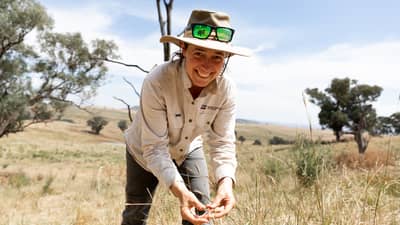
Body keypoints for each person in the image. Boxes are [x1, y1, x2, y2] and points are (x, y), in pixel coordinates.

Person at [122, 9, 250, 225]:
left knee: (202, 212)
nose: (207, 67)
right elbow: (154, 148)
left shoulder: (227, 89)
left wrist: (226, 183)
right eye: (199, 53)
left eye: (217, 57)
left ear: (226, 58)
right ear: (184, 49)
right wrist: (181, 192)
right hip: (143, 151)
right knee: (136, 211)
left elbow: (223, 142)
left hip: (189, 148)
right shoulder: (157, 80)